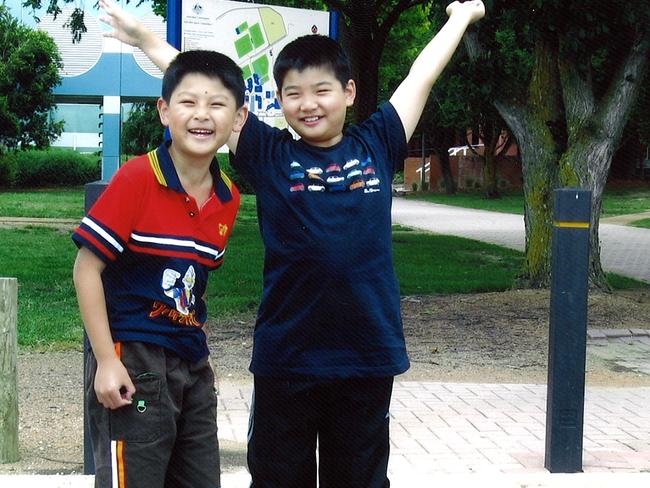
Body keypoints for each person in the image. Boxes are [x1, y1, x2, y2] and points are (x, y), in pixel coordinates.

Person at [98, 1, 485, 486]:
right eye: (293, 94)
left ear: (348, 92)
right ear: (278, 100)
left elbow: (420, 76)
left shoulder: (379, 141)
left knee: (361, 478)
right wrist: (146, 40)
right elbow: (207, 91)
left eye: (322, 91)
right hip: (287, 358)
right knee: (280, 478)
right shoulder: (269, 152)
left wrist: (457, 19)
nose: (309, 104)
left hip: (368, 354)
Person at [72, 49, 248, 488]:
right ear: (165, 111)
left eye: (217, 104)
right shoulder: (136, 178)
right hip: (132, 358)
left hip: (191, 365)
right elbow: (86, 269)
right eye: (188, 102)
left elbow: (194, 285)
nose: (202, 115)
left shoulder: (229, 198)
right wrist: (105, 362)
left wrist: (199, 356)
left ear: (239, 117)